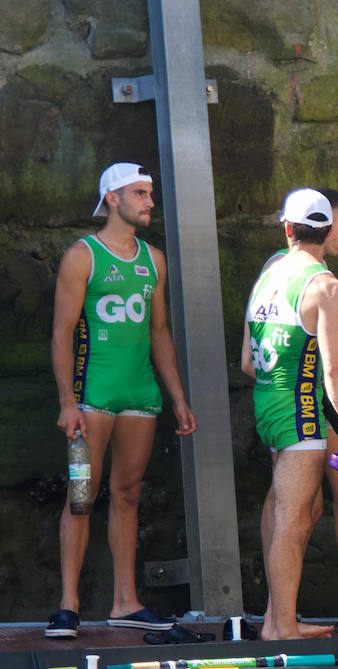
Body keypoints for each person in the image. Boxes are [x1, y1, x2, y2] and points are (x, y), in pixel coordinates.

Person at [46, 163, 198, 639]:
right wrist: (67, 401)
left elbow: (158, 332)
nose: (149, 202)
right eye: (140, 193)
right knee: (80, 496)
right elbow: (62, 332)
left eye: (150, 193)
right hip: (92, 396)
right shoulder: (82, 255)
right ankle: (68, 606)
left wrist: (176, 396)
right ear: (113, 198)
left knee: (129, 494)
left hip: (140, 394)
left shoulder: (154, 259)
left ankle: (125, 602)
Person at [240, 189, 338, 619]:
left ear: (287, 229)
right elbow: (334, 371)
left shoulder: (270, 274)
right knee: (292, 518)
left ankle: (281, 618)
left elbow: (248, 361)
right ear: (326, 229)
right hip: (302, 410)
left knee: (296, 508)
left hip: (269, 404)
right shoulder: (324, 284)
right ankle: (280, 624)